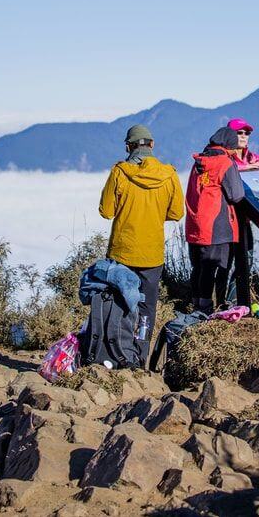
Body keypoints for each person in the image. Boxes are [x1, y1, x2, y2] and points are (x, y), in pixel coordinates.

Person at [98, 124, 184, 363]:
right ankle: (140, 356)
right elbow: (177, 213)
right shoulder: (169, 175)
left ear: (129, 146)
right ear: (152, 145)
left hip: (122, 252)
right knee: (146, 309)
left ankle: (116, 355)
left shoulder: (120, 172)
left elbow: (106, 211)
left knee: (119, 304)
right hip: (152, 254)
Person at [213, 117, 259, 307]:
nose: (243, 136)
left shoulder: (250, 157)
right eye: (239, 132)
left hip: (244, 220)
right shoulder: (224, 157)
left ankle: (234, 300)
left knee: (245, 262)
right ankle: (220, 302)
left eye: (246, 133)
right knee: (224, 265)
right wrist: (245, 168)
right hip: (226, 220)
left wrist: (252, 166)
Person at [185, 127, 245, 314]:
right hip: (216, 225)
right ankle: (207, 309)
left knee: (199, 268)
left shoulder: (199, 162)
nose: (236, 152)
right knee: (212, 267)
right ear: (229, 146)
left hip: (195, 224)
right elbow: (236, 195)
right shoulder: (224, 162)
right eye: (235, 148)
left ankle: (196, 305)